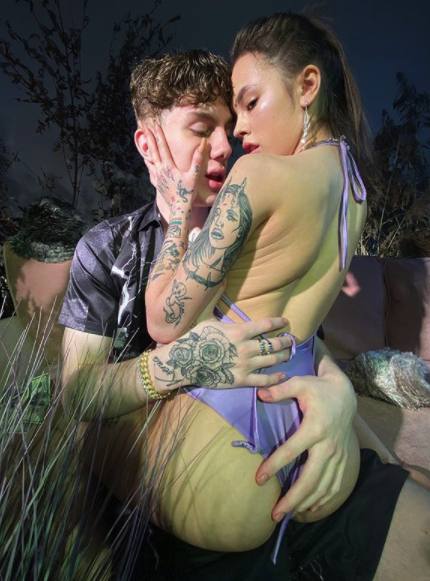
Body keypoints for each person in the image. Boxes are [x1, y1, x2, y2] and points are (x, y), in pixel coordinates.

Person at [58, 44, 424, 580]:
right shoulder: (106, 248)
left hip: (303, 452)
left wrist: (340, 396)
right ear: (148, 143)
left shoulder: (256, 217)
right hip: (195, 480)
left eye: (229, 128)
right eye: (201, 128)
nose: (224, 146)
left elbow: (296, 336)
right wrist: (173, 366)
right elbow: (77, 394)